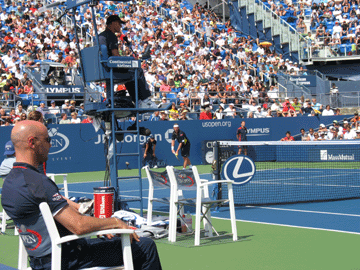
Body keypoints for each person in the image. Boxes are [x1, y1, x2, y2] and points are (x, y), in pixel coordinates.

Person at [1, 120, 162, 270]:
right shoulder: (38, 182)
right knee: (145, 246)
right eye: (47, 140)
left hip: (39, 259)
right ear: (32, 142)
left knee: (110, 239)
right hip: (68, 258)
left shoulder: (9, 185)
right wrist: (114, 222)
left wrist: (100, 226)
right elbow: (78, 226)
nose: (50, 145)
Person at [99, 15, 156, 109]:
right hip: (110, 69)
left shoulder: (100, 36)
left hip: (103, 68)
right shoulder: (111, 36)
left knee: (129, 72)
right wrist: (129, 60)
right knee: (137, 70)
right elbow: (115, 56)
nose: (121, 27)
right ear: (113, 23)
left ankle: (138, 101)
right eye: (119, 24)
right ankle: (145, 100)